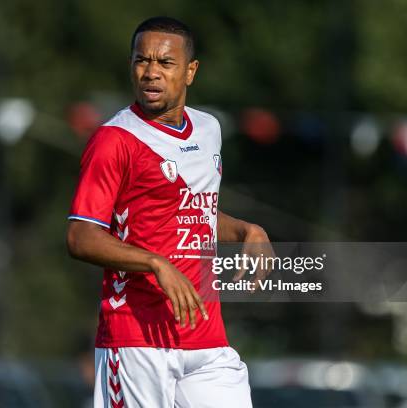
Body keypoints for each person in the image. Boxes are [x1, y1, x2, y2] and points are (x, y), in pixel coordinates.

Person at [67, 16, 270, 408]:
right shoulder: (114, 140)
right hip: (136, 339)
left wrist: (247, 230)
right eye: (142, 61)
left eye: (165, 63)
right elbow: (80, 236)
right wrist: (156, 263)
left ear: (191, 71)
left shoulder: (209, 128)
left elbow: (194, 213)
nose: (151, 73)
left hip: (206, 339)